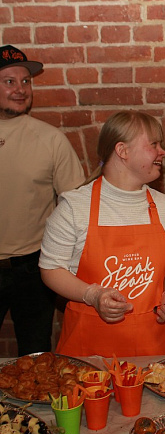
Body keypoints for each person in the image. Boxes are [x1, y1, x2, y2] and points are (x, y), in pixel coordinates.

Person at [39, 110, 165, 357]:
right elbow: (51, 269)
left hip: (153, 348)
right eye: (154, 144)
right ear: (123, 151)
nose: (162, 151)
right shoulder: (75, 207)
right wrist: (93, 294)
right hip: (89, 353)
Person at [0, 45, 84, 356]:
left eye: (26, 81)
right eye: (9, 81)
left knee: (36, 359)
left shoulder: (51, 140)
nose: (20, 90)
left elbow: (77, 208)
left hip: (34, 270)